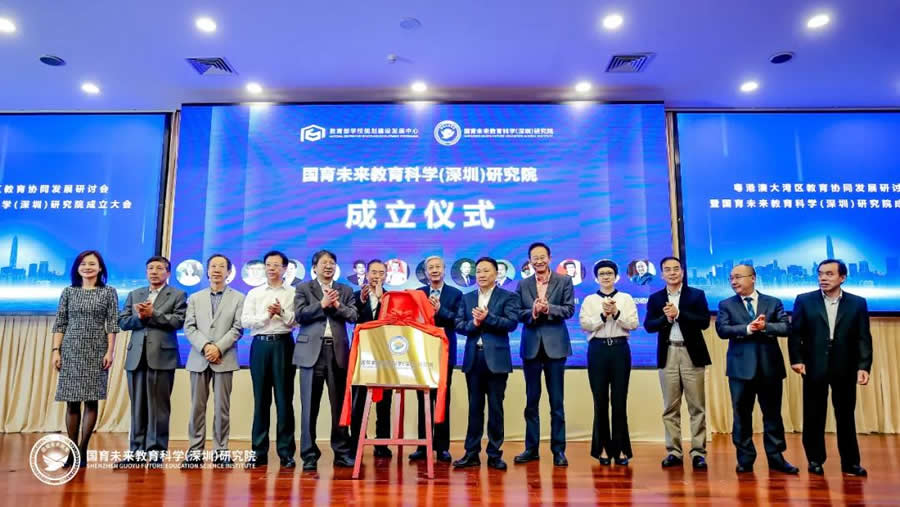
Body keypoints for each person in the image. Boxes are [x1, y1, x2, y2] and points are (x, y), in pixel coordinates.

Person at [789, 259, 872, 477]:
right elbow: (795, 333)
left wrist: (864, 366)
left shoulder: (857, 303)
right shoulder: (804, 300)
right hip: (813, 365)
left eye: (829, 274)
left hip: (845, 366)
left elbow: (863, 337)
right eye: (820, 274)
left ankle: (851, 463)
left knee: (845, 415)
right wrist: (796, 359)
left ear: (842, 277)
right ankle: (815, 460)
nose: (823, 278)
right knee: (813, 414)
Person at [715, 264, 797, 474]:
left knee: (773, 416)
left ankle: (776, 458)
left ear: (753, 278)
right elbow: (722, 330)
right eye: (731, 278)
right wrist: (748, 329)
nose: (733, 282)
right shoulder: (726, 304)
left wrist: (765, 327)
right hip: (740, 370)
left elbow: (786, 327)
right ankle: (745, 459)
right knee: (741, 416)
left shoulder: (773, 302)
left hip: (770, 368)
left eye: (738, 277)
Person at [115, 256, 187, 469]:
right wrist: (140, 317)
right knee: (137, 407)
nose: (154, 272)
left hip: (162, 357)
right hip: (136, 357)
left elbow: (178, 321)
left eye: (159, 268)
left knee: (159, 408)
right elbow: (123, 322)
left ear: (168, 273)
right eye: (150, 268)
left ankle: (156, 453)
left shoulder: (178, 295)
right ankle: (136, 452)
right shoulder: (135, 294)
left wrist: (153, 314)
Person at [51, 250, 119, 469]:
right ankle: (72, 452)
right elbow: (60, 323)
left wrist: (110, 352)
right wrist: (56, 350)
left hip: (97, 350)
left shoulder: (109, 292)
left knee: (91, 400)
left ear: (100, 268)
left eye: (92, 264)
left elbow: (112, 324)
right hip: (71, 350)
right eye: (83, 264)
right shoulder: (68, 292)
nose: (87, 267)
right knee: (71, 402)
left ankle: (83, 450)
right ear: (77, 268)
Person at [643, 256, 711, 470]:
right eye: (667, 269)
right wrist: (666, 319)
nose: (672, 273)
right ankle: (674, 452)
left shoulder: (696, 295)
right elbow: (649, 326)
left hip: (692, 354)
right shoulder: (655, 298)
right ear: (662, 274)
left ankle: (698, 452)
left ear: (682, 272)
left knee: (697, 407)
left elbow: (704, 322)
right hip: (669, 353)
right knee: (670, 407)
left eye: (676, 269)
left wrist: (679, 314)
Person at [452, 257, 520, 471]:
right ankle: (471, 453)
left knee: (496, 408)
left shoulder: (508, 297)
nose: (481, 274)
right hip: (474, 359)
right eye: (479, 271)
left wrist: (488, 318)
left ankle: (494, 454)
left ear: (496, 274)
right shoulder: (467, 298)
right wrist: (475, 323)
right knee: (475, 408)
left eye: (486, 271)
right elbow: (459, 325)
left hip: (497, 360)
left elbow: (511, 324)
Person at [294, 249, 358, 471]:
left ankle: (341, 452)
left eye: (332, 262)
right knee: (309, 407)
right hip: (311, 353)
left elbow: (354, 316)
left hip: (337, 352)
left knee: (339, 406)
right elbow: (299, 315)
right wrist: (321, 304)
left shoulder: (345, 290)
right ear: (314, 267)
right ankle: (309, 455)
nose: (328, 266)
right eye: (324, 263)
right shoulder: (303, 288)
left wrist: (337, 305)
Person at [182, 254, 245, 469]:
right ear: (207, 271)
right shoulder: (195, 297)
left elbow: (238, 328)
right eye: (213, 266)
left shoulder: (239, 298)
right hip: (198, 358)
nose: (217, 270)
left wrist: (218, 348)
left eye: (221, 266)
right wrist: (206, 346)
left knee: (222, 409)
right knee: (196, 408)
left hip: (224, 358)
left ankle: (221, 452)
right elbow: (189, 327)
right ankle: (194, 452)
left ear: (229, 272)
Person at [514, 242, 575, 467]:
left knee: (556, 402)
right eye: (534, 258)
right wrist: (532, 311)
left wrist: (548, 309)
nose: (538, 261)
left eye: (542, 257)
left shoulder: (564, 281)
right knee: (531, 401)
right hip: (531, 348)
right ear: (530, 261)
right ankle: (531, 449)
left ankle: (559, 451)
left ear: (549, 258)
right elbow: (517, 313)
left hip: (556, 348)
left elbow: (569, 310)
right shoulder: (523, 284)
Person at [579, 260, 638, 466]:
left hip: (620, 350)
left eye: (609, 273)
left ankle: (621, 448)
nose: (606, 276)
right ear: (596, 278)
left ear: (616, 276)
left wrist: (617, 314)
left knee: (619, 401)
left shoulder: (626, 298)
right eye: (602, 274)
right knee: (600, 401)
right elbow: (585, 325)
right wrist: (604, 316)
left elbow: (633, 323)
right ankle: (602, 448)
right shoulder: (589, 300)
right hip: (598, 350)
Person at [242, 251, 297, 469]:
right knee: (261, 400)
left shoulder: (293, 292)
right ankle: (258, 452)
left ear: (285, 268)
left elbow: (296, 321)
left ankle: (286, 453)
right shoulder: (254, 293)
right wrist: (267, 316)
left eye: (276, 265)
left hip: (284, 345)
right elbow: (246, 321)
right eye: (268, 265)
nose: (271, 268)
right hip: (261, 346)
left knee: (284, 401)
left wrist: (281, 312)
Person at [411, 255, 463, 463]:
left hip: (444, 353)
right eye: (430, 267)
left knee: (442, 399)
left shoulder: (455, 294)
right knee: (422, 400)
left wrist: (440, 310)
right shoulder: (418, 294)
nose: (434, 270)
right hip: (422, 354)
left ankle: (442, 447)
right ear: (425, 272)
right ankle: (422, 445)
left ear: (444, 269)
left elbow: (458, 321)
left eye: (437, 267)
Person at [350, 259, 393, 458]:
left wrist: (382, 299)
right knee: (358, 400)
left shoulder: (391, 297)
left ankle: (382, 443)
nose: (377, 276)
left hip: (385, 355)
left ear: (386, 276)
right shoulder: (356, 296)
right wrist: (363, 300)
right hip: (362, 354)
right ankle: (356, 441)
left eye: (381, 273)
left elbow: (393, 323)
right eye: (373, 272)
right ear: (366, 275)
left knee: (384, 401)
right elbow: (353, 317)